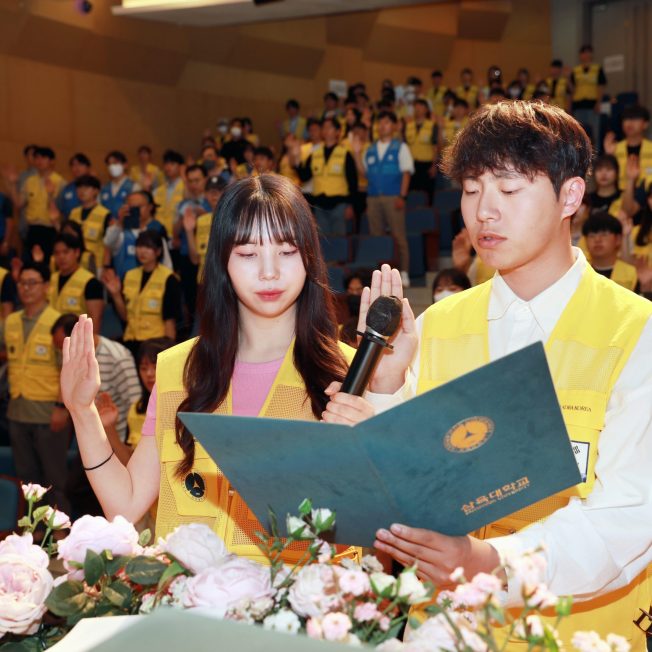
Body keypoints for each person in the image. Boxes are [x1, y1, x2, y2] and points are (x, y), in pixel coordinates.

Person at [360, 102, 651, 646]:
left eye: (509, 189)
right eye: (471, 190)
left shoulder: (636, 332)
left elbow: (628, 515)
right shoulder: (437, 324)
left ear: (570, 196)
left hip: (577, 633)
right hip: (446, 630)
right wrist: (384, 390)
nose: (484, 212)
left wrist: (490, 562)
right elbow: (398, 485)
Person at [60, 175, 373, 565]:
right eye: (248, 253)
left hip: (299, 599)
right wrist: (82, 411)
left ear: (309, 257)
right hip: (190, 595)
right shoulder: (178, 370)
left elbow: (373, 523)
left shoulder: (349, 374)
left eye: (287, 251)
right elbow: (125, 504)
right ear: (222, 260)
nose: (269, 271)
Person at [4, 262, 70, 514]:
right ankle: (35, 529)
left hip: (49, 412)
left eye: (32, 283)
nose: (26, 288)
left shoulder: (57, 321)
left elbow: (67, 367)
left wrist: (61, 407)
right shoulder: (11, 320)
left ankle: (61, 529)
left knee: (55, 479)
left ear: (46, 286)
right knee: (27, 479)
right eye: (22, 283)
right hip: (17, 411)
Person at [352, 110, 413, 287]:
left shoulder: (400, 147)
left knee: (398, 236)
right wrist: (356, 154)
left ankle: (404, 272)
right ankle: (380, 277)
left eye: (387, 122)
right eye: (380, 123)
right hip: (373, 198)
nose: (382, 126)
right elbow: (364, 173)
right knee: (376, 237)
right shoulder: (370, 149)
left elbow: (406, 173)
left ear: (394, 126)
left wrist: (402, 196)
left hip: (393, 196)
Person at [103, 229, 179, 357]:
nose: (142, 251)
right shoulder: (129, 276)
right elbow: (125, 317)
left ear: (158, 251)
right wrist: (116, 295)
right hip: (131, 340)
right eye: (139, 246)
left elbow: (170, 321)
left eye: (148, 247)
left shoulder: (169, 278)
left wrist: (169, 353)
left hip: (155, 344)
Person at [294, 117, 358, 236]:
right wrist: (297, 161)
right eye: (324, 127)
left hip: (339, 204)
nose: (326, 130)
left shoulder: (345, 154)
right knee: (323, 240)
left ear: (338, 131)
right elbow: (304, 177)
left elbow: (353, 182)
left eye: (330, 127)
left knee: (340, 239)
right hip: (320, 204)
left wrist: (350, 205)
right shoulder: (315, 154)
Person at [103, 190, 168, 279]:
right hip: (125, 283)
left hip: (153, 284)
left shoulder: (157, 230)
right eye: (131, 207)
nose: (135, 210)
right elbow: (108, 242)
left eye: (139, 207)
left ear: (150, 207)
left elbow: (166, 262)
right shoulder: (121, 232)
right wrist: (119, 222)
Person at [50, 233, 104, 332]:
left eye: (66, 252)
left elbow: (95, 320)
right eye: (57, 253)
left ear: (77, 252)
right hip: (52, 336)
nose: (61, 257)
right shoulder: (51, 280)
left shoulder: (91, 282)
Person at [183, 174, 227, 282]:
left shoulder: (235, 219)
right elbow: (195, 260)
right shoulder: (201, 221)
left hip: (225, 281)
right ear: (205, 194)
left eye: (219, 190)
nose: (215, 194)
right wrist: (189, 231)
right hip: (204, 280)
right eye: (211, 191)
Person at [582, 212, 639, 291]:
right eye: (592, 235)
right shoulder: (579, 271)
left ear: (618, 239)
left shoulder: (632, 273)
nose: (597, 240)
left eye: (604, 234)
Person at [68, 174, 112, 274]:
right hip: (76, 263)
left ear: (96, 191)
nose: (82, 191)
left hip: (96, 264)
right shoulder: (73, 213)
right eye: (79, 188)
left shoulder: (104, 214)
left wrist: (106, 267)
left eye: (86, 188)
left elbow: (108, 245)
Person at [604, 104, 652, 192]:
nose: (629, 122)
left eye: (635, 118)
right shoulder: (614, 149)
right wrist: (609, 156)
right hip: (620, 195)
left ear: (645, 124)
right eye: (626, 119)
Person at [570, 44, 606, 145]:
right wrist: (567, 78)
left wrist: (598, 103)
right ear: (580, 55)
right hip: (578, 105)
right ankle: (580, 152)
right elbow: (572, 90)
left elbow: (601, 87)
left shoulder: (597, 69)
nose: (586, 55)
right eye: (583, 52)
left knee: (594, 131)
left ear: (591, 54)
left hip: (592, 105)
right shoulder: (575, 70)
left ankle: (596, 153)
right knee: (579, 132)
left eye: (588, 52)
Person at [405, 99, 438, 205]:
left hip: (426, 165)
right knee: (410, 194)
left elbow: (435, 147)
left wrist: (434, 166)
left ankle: (428, 213)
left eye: (421, 106)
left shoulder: (432, 125)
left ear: (426, 109)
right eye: (416, 107)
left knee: (427, 195)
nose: (418, 109)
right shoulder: (408, 126)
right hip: (411, 165)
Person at [153, 150, 185, 237]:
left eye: (172, 164)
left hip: (178, 236)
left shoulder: (186, 189)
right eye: (166, 164)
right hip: (158, 234)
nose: (168, 167)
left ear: (180, 167)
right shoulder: (157, 191)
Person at [100, 151, 134, 218]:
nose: (112, 166)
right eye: (109, 164)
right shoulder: (104, 188)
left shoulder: (133, 187)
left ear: (125, 165)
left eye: (115, 163)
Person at [58, 153, 91, 219]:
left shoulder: (94, 187)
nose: (77, 168)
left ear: (88, 167)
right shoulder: (67, 188)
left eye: (80, 164)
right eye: (74, 165)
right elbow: (60, 209)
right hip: (69, 223)